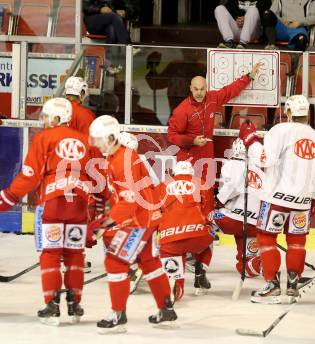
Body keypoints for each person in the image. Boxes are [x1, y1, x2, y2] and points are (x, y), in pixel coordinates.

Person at [0, 98, 94, 326]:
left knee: (50, 253)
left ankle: (52, 304)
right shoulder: (85, 140)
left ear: (58, 118)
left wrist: (5, 199)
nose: (43, 121)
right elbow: (96, 177)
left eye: (47, 116)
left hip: (53, 203)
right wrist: (95, 213)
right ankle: (75, 303)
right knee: (75, 253)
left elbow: (30, 176)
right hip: (79, 204)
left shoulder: (44, 137)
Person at [87, 115, 177, 334]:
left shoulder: (122, 161)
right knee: (149, 262)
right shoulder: (121, 156)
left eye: (99, 139)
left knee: (116, 262)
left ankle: (118, 314)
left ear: (110, 137)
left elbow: (129, 201)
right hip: (146, 216)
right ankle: (165, 309)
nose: (96, 143)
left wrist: (105, 224)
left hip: (138, 221)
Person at [245, 95, 315, 304]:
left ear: (288, 112)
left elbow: (266, 159)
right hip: (303, 201)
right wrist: (313, 200)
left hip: (277, 197)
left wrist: (251, 141)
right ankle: (292, 284)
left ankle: (272, 285)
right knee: (297, 241)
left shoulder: (279, 130)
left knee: (265, 238)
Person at [167, 63, 262, 213]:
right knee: (189, 192)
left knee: (207, 190)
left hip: (207, 153)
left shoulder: (212, 98)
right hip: (188, 157)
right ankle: (188, 223)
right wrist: (192, 141)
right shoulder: (182, 110)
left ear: (206, 88)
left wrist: (249, 77)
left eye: (202, 89)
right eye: (196, 89)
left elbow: (230, 90)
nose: (199, 93)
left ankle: (207, 224)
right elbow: (172, 136)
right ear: (190, 89)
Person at [156, 161, 214, 301]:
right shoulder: (201, 182)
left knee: (175, 260)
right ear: (192, 173)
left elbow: (154, 212)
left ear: (175, 173)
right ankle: (201, 269)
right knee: (210, 238)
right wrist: (207, 226)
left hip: (170, 238)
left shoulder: (162, 185)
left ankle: (176, 286)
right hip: (197, 235)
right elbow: (209, 211)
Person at [213, 137, 264, 278]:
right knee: (247, 269)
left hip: (229, 220)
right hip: (253, 225)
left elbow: (233, 186)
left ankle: (194, 257)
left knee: (206, 217)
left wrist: (218, 202)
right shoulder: (261, 172)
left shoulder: (231, 165)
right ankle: (263, 258)